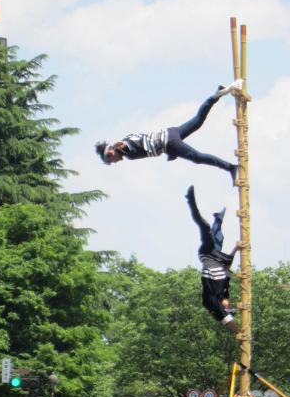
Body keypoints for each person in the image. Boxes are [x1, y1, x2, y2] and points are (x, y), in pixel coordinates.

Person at [95, 80, 244, 185]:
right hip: (170, 134)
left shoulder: (123, 148)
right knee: (198, 121)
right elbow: (147, 144)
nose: (114, 162)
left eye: (111, 160)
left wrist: (119, 147)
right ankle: (216, 95)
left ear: (110, 153)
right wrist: (170, 154)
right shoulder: (126, 140)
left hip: (169, 142)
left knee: (197, 158)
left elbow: (126, 145)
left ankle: (231, 167)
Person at [185, 185, 240, 333]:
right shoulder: (224, 291)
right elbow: (227, 267)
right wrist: (236, 249)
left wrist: (240, 333)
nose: (229, 304)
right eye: (230, 305)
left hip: (207, 254)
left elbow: (228, 322)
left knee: (206, 228)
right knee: (219, 238)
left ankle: (190, 201)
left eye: (228, 307)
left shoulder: (213, 302)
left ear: (224, 308)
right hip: (216, 258)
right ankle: (218, 218)